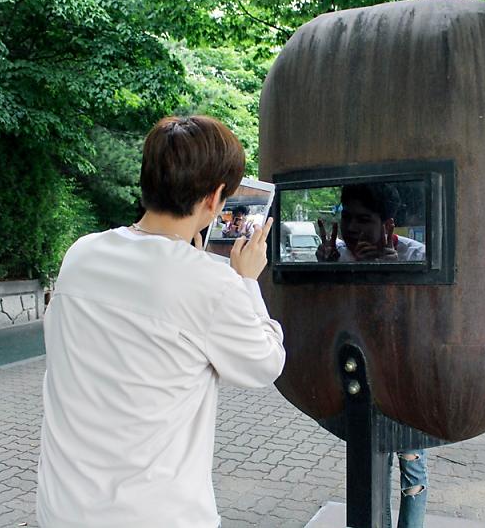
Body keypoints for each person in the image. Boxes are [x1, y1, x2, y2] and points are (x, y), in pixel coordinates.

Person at [36, 115, 286, 528]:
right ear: (215, 198)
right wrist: (246, 281)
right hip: (154, 515)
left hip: (64, 509)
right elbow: (266, 363)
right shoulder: (212, 283)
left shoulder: (81, 254)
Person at [316, 182, 428, 528]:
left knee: (412, 464)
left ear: (388, 224)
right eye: (347, 217)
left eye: (363, 220)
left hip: (404, 374)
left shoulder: (414, 256)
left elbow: (424, 319)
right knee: (372, 461)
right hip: (359, 375)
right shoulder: (336, 254)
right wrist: (324, 269)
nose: (352, 228)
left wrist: (391, 273)